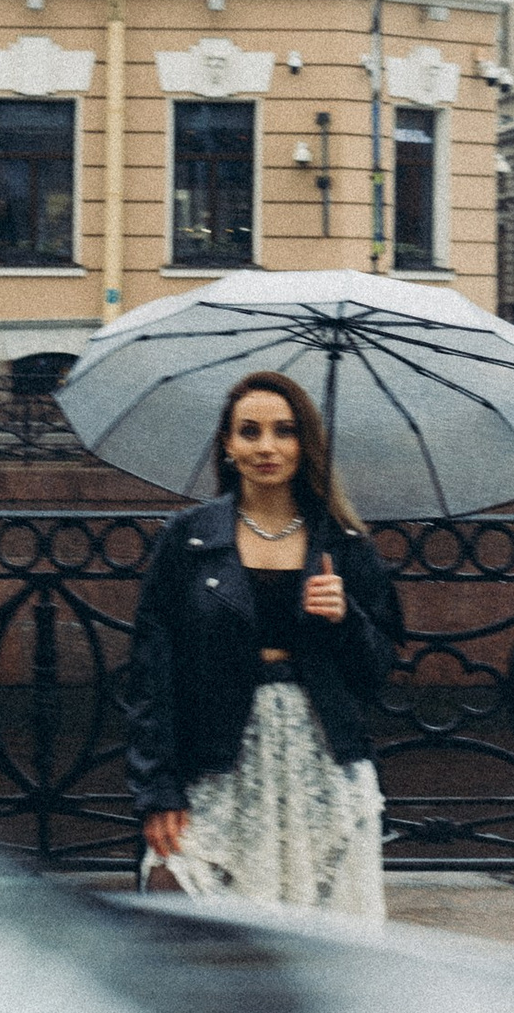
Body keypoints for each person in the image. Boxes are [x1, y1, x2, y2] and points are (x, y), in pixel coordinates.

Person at [126, 369, 405, 925]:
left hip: (320, 757)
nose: (267, 447)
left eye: (284, 431)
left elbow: (377, 672)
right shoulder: (189, 538)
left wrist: (345, 618)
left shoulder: (344, 544)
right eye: (249, 432)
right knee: (180, 885)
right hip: (215, 753)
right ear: (228, 445)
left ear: (306, 444)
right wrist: (158, 788)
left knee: (323, 925)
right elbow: (152, 671)